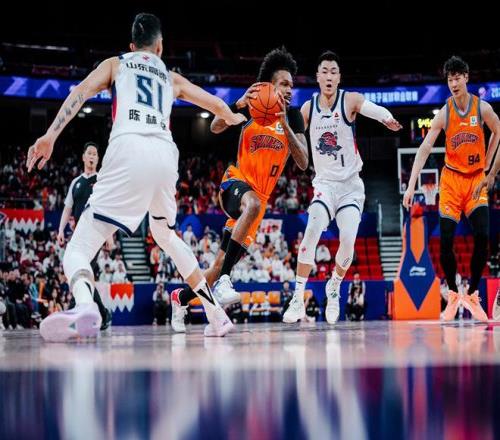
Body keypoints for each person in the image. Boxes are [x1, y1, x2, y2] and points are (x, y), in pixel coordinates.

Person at [26, 13, 246, 341]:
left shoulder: (116, 64)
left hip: (128, 148)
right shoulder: (171, 77)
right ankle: (215, 315)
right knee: (166, 235)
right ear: (160, 47)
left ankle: (86, 304)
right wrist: (239, 116)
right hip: (165, 155)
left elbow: (80, 92)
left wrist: (50, 135)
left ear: (132, 46)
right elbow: (218, 106)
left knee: (78, 249)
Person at [171, 47, 308, 333]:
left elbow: (304, 162)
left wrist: (284, 123)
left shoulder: (293, 117)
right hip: (236, 182)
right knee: (252, 207)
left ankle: (181, 298)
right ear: (269, 86)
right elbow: (215, 126)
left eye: (291, 86)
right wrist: (238, 103)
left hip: (258, 202)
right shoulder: (253, 106)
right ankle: (224, 281)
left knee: (219, 264)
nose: (289, 90)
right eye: (284, 84)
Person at [284, 51, 402, 324]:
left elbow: (371, 108)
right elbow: (294, 141)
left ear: (339, 77)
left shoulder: (349, 100)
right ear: (317, 76)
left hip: (350, 186)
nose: (329, 76)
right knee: (312, 230)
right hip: (325, 185)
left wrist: (386, 118)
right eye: (324, 71)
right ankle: (298, 296)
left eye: (333, 72)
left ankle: (334, 285)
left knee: (348, 241)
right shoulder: (307, 109)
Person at [403, 56, 500, 322]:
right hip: (451, 181)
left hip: (476, 180)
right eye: (450, 79)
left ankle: (473, 295)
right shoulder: (445, 113)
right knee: (445, 240)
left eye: (458, 78)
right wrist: (411, 186)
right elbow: (424, 148)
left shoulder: (482, 108)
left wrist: (489, 166)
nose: (454, 83)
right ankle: (454, 295)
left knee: (482, 237)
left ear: (466, 78)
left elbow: (498, 131)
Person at [58, 141, 113, 330]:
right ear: (83, 157)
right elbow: (67, 209)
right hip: (78, 237)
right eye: (89, 153)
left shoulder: (102, 180)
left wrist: (109, 236)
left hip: (95, 235)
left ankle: (74, 315)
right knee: (83, 274)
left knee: (81, 271)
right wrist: (60, 230)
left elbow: (108, 208)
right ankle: (102, 315)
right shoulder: (76, 183)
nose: (92, 156)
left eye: (95, 154)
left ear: (98, 159)